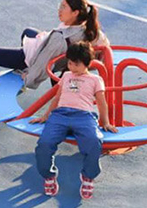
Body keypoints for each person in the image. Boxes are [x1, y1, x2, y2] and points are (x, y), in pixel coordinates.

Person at [0, 0, 109, 104]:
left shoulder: (60, 39)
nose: (59, 10)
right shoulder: (90, 30)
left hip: (32, 57)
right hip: (51, 51)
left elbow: (43, 61)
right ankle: (26, 62)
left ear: (75, 13)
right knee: (27, 32)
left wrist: (28, 78)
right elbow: (104, 46)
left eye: (63, 7)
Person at [30, 42, 118, 199]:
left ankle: (88, 176)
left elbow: (101, 102)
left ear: (86, 64)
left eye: (76, 64)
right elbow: (57, 98)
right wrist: (46, 116)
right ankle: (49, 176)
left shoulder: (95, 79)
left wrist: (105, 122)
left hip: (84, 116)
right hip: (60, 115)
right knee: (44, 144)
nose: (71, 67)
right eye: (70, 63)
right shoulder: (66, 76)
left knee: (94, 142)